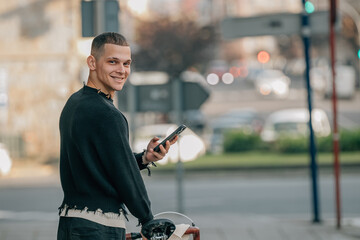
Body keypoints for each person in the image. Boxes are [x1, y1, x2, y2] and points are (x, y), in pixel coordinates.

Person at [57, 32, 178, 240]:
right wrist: (147, 218)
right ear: (92, 62)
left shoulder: (75, 103)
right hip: (98, 228)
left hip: (71, 223)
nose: (121, 70)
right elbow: (124, 174)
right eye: (113, 62)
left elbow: (106, 161)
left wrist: (144, 158)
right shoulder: (108, 114)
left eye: (126, 63)